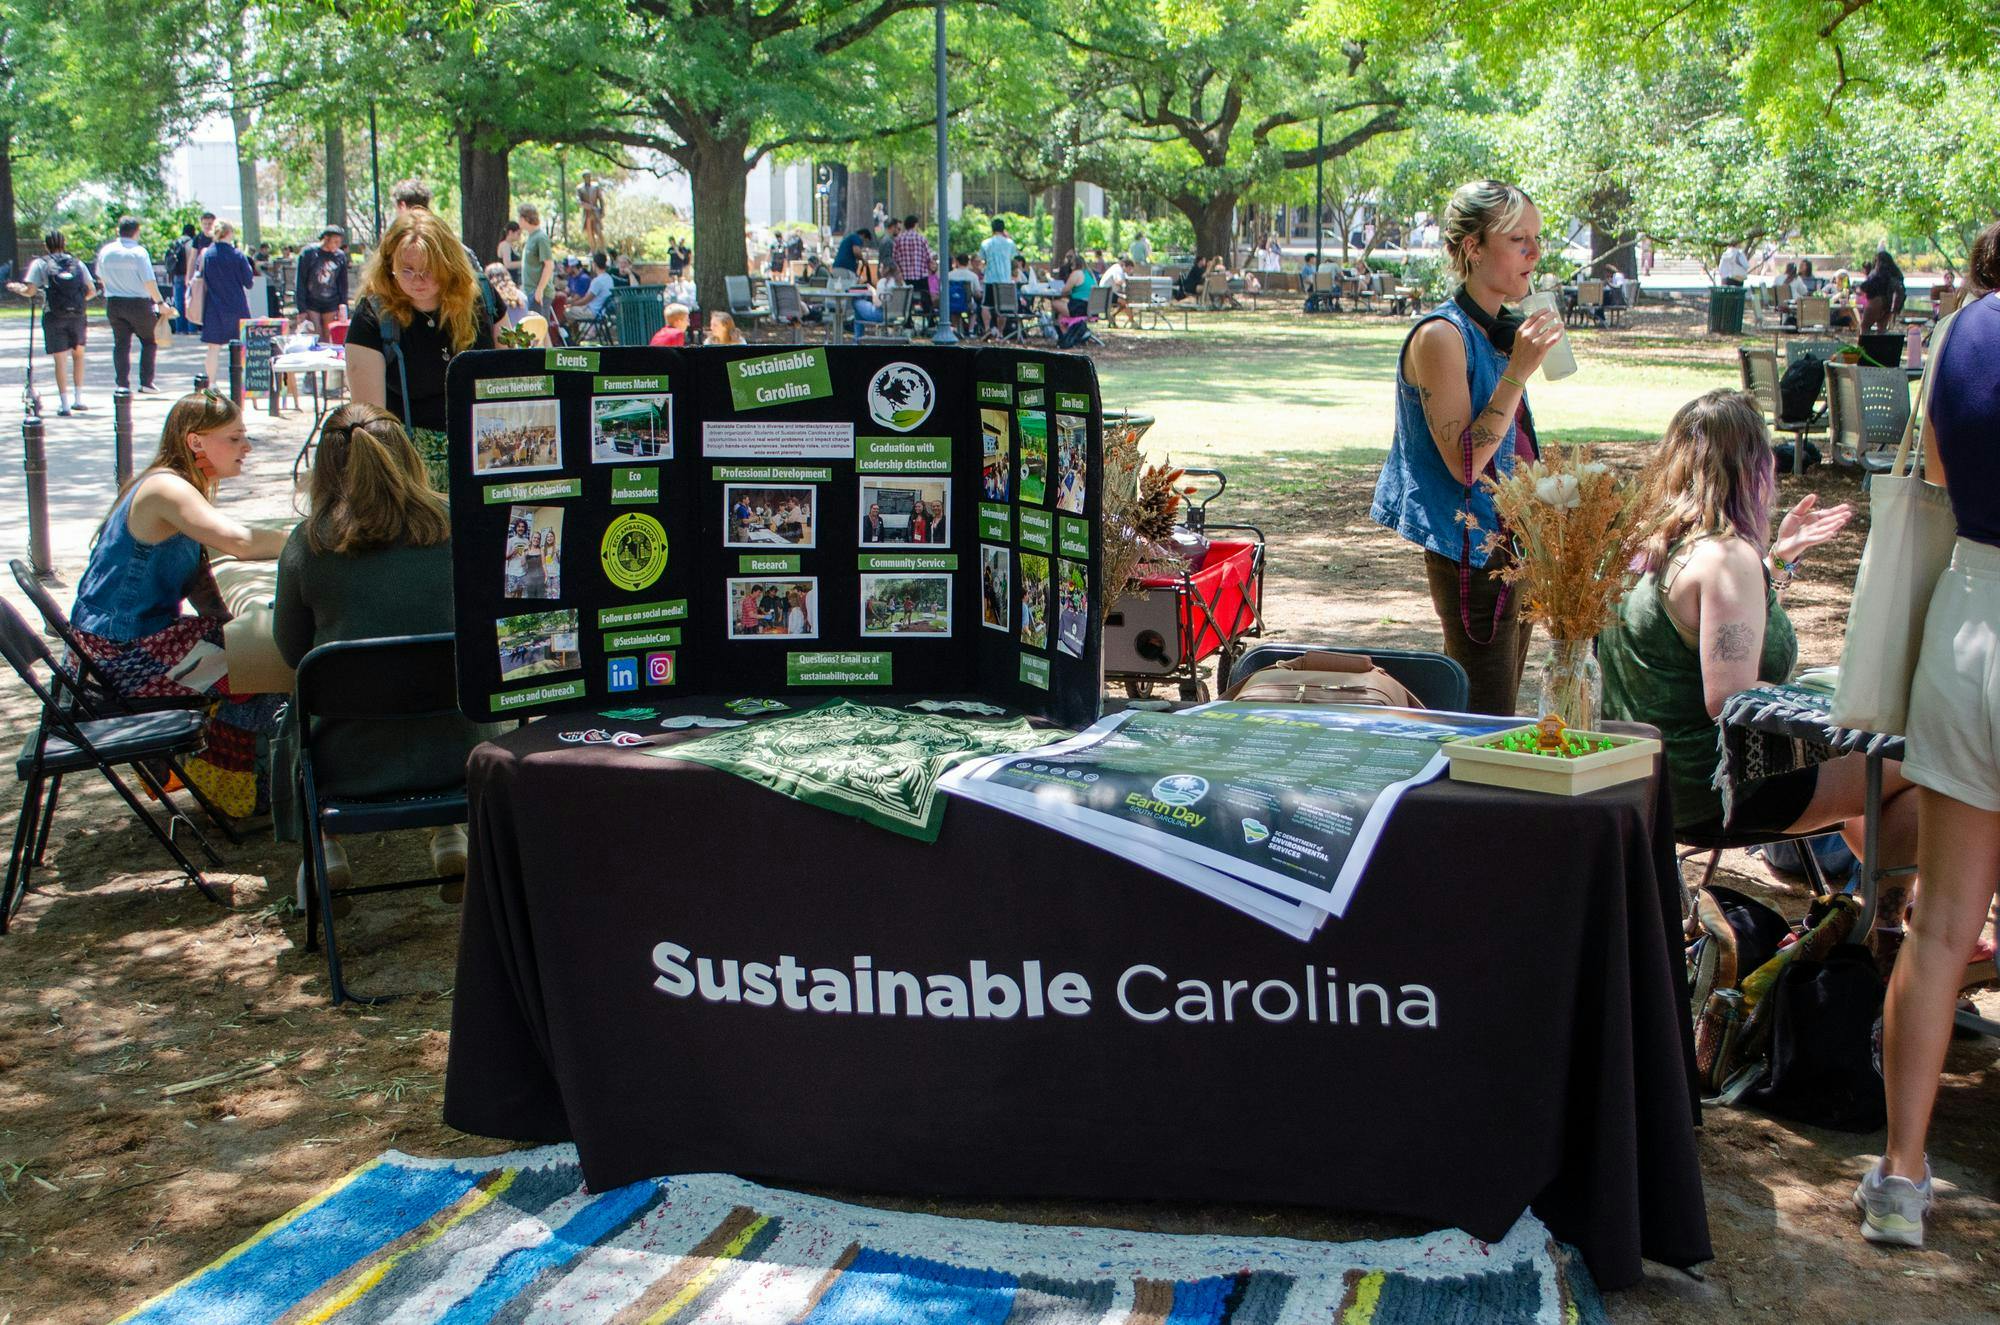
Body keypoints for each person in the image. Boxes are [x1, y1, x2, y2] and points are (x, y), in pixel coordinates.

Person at [1597, 387, 1903, 844]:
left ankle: (1863, 891)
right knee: (1928, 766)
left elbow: (1704, 621)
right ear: (1754, 467)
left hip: (1636, 780)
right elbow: (1729, 697)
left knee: (1881, 776)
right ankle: (1882, 894)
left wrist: (1776, 563)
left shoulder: (1639, 543)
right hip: (1714, 790)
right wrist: (1833, 707)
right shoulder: (1726, 558)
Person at [1865, 221, 2000, 1249]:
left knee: (1942, 921)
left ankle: (1900, 1175)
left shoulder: (1956, 332)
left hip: (1967, 618)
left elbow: (1946, 476)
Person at [271, 402, 490, 896]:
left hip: (347, 761)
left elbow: (292, 653)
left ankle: (324, 845)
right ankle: (449, 833)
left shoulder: (308, 544)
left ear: (324, 467)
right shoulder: (459, 525)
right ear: (409, 455)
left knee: (299, 705)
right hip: (461, 750)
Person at [1370, 179, 1565, 714]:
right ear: (1474, 248)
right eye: (1518, 240)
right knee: (1484, 715)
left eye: (1537, 238)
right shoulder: (1441, 336)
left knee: (1501, 706)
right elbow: (1465, 462)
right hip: (1473, 549)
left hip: (1514, 541)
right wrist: (1518, 371)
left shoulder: (1496, 329)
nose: (1534, 253)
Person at [68, 392, 288, 819]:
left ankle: (222, 773)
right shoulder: (167, 489)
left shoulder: (173, 485)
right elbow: (240, 542)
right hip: (117, 655)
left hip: (125, 641)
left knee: (250, 646)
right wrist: (314, 538)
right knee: (264, 661)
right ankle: (228, 785)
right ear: (195, 442)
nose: (246, 447)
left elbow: (200, 581)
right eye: (235, 438)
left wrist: (227, 625)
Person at [345, 208, 496, 484]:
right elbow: (370, 419)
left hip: (486, 454)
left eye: (429, 270)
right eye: (407, 270)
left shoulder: (482, 298)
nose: (418, 280)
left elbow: (514, 376)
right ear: (389, 265)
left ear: (448, 265)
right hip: (411, 467)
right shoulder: (372, 316)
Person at [7, 232, 96, 416]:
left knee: (60, 360)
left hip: (54, 315)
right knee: (78, 356)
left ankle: (64, 404)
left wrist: (16, 288)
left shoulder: (40, 263)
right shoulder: (77, 263)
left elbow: (30, 291)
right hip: (78, 316)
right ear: (64, 243)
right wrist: (77, 303)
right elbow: (92, 290)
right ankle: (78, 399)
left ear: (46, 246)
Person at [95, 217, 167, 395]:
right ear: (137, 231)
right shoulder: (139, 252)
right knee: (149, 340)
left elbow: (100, 276)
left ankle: (122, 384)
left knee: (121, 344)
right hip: (138, 302)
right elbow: (149, 280)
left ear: (118, 230)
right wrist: (159, 302)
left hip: (114, 301)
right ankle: (146, 382)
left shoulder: (106, 251)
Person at [192, 222, 254, 388]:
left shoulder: (207, 254)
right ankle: (244, 383)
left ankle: (212, 383)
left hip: (213, 306)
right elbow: (249, 282)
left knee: (213, 348)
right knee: (242, 347)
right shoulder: (237, 255)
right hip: (236, 306)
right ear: (229, 233)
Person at [295, 226, 351, 338]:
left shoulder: (340, 256)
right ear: (326, 238)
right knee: (316, 334)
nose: (337, 245)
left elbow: (343, 283)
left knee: (329, 335)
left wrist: (343, 304)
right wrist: (301, 308)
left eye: (339, 242)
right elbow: (300, 280)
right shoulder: (309, 253)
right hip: (312, 301)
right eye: (335, 242)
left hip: (332, 301)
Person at [892, 214, 936, 322]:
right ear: (915, 225)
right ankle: (930, 321)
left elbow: (894, 258)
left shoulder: (898, 239)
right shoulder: (921, 239)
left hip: (905, 276)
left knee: (907, 299)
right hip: (920, 275)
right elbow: (928, 256)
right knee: (925, 298)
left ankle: (908, 321)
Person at [564, 252, 616, 335]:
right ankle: (576, 334)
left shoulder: (597, 281)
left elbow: (585, 300)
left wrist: (571, 305)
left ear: (594, 264)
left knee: (565, 311)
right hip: (601, 311)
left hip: (593, 312)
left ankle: (569, 335)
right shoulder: (609, 278)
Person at [1055, 250, 1098, 349]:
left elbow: (1065, 290)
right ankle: (1068, 338)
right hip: (1091, 307)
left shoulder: (1076, 273)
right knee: (1061, 314)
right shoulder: (1089, 273)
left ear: (1074, 264)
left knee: (1055, 303)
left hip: (1080, 307)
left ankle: (1071, 337)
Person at [1860, 248, 1906, 332]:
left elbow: (1866, 286)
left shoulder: (1878, 274)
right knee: (1882, 330)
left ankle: (1866, 341)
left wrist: (1859, 287)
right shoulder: (1895, 274)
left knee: (1865, 326)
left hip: (1875, 302)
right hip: (1888, 304)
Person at [519, 204, 554, 314]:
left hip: (538, 294)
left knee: (540, 325)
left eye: (519, 217)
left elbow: (549, 265)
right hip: (529, 292)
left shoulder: (541, 237)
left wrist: (540, 290)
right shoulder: (530, 237)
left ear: (525, 218)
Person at [981, 218, 1019, 295]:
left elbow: (983, 259)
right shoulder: (1010, 243)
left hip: (990, 280)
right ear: (1003, 229)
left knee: (988, 302)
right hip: (1005, 280)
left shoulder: (985, 243)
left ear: (992, 229)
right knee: (1004, 302)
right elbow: (1013, 258)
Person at [577, 172, 606, 250]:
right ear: (583, 178)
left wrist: (602, 210)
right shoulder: (579, 188)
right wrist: (587, 206)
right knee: (590, 233)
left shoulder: (595, 186)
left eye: (589, 176)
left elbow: (601, 199)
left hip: (596, 212)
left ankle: (602, 249)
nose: (588, 178)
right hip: (587, 213)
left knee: (599, 231)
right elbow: (578, 201)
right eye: (586, 176)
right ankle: (593, 250)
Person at [496, 219, 523, 285]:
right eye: (518, 234)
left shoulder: (511, 245)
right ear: (510, 232)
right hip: (506, 281)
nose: (519, 236)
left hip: (512, 280)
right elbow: (507, 264)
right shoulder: (505, 245)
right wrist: (524, 263)